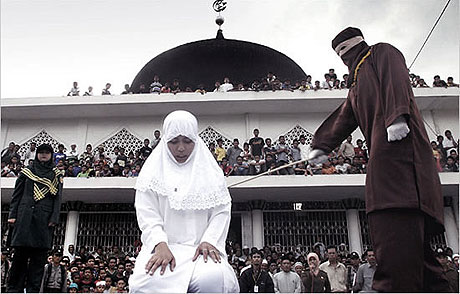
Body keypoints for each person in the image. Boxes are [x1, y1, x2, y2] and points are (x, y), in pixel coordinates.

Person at [308, 27, 450, 292]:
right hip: (384, 163)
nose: (343, 57)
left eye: (344, 51)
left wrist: (396, 115)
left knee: (396, 254)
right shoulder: (357, 83)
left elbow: (396, 78)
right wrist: (322, 145)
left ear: (355, 45)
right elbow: (344, 117)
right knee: (422, 266)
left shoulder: (380, 53)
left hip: (402, 162)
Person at [129, 110, 239, 293]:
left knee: (212, 279)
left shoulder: (211, 174)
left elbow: (221, 211)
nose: (181, 148)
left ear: (195, 140)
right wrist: (160, 244)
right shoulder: (151, 174)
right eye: (174, 141)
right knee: (145, 283)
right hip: (163, 248)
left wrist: (210, 241)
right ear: (165, 141)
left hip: (201, 250)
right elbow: (147, 215)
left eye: (187, 141)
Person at [7, 143, 63, 293]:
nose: (44, 155)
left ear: (51, 155)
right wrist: (12, 215)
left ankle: (33, 290)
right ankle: (13, 289)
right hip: (24, 217)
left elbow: (57, 198)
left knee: (38, 261)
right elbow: (16, 195)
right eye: (41, 152)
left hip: (43, 220)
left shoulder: (56, 174)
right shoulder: (27, 172)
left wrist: (54, 218)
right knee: (19, 258)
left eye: (47, 153)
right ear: (37, 155)